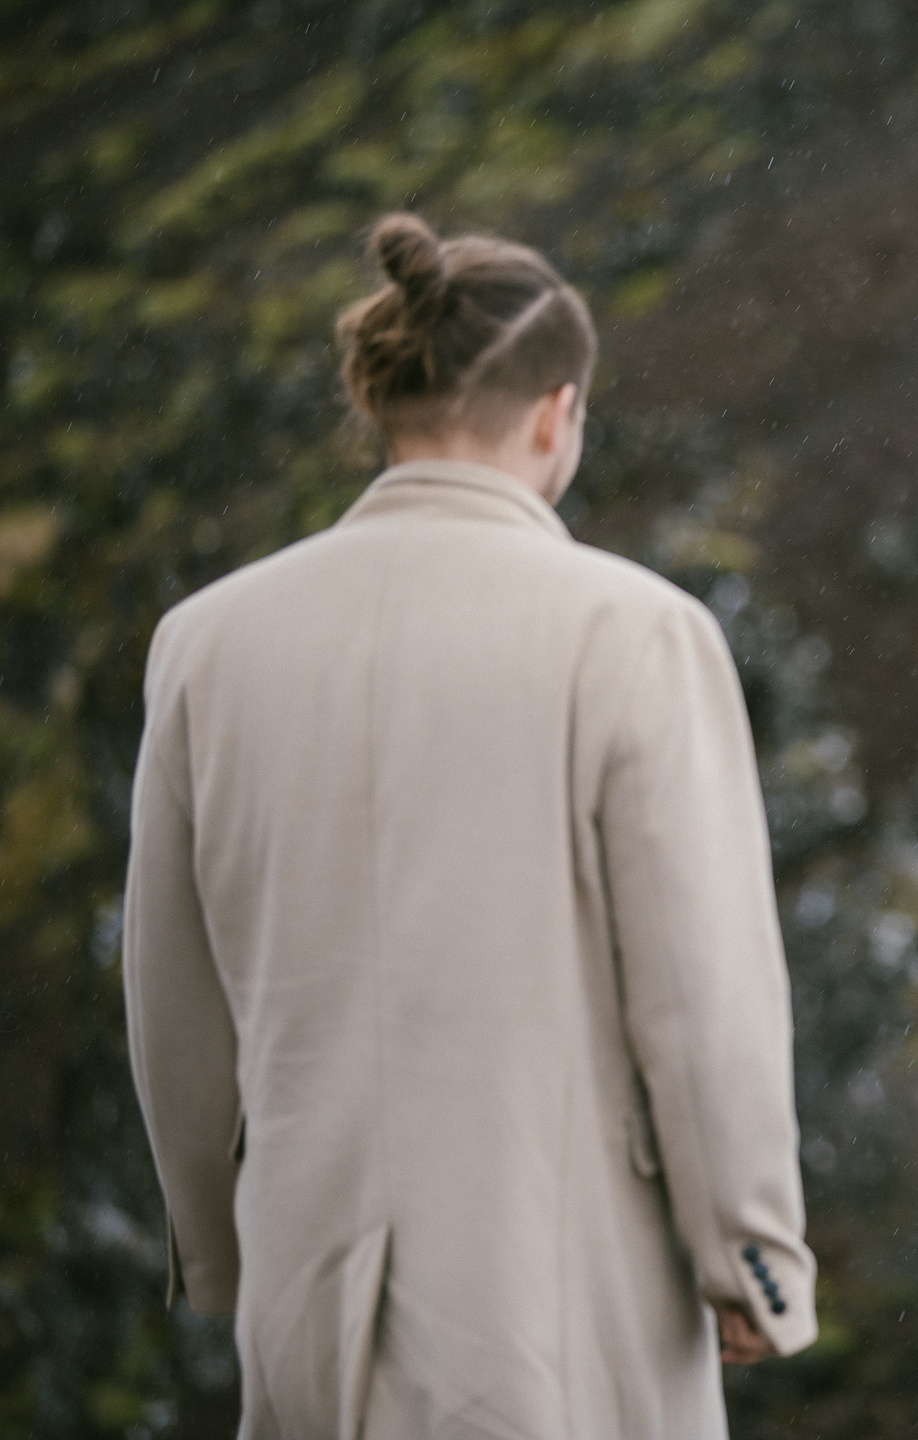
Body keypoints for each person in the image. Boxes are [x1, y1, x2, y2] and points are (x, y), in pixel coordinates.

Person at [122, 212, 816, 1437]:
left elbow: (172, 1002)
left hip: (307, 1302)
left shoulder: (205, 644)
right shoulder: (633, 633)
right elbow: (700, 996)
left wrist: (221, 1261)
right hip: (555, 1310)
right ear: (557, 413)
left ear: (382, 403)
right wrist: (749, 1255)